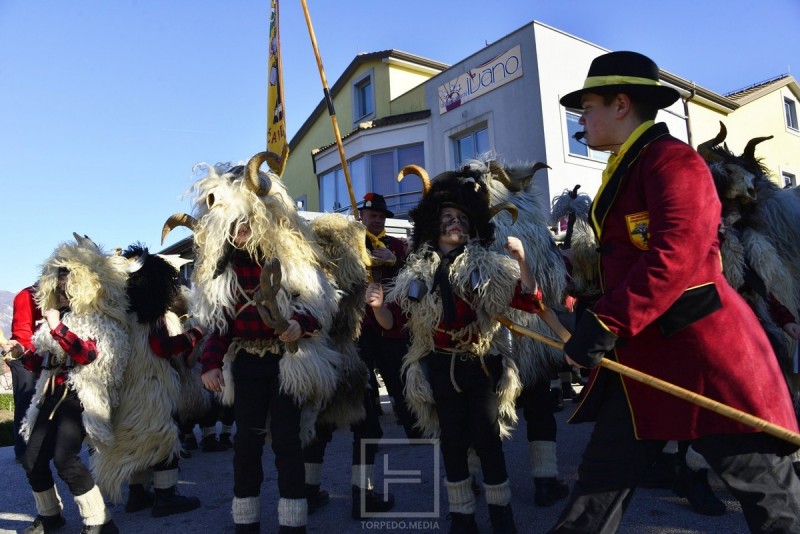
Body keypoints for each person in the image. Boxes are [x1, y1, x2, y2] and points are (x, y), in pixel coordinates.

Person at [552, 50, 800, 532]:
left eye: (588, 106)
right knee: (598, 487)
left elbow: (675, 257)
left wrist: (605, 323)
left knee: (771, 499)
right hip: (645, 357)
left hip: (702, 356)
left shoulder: (674, 161)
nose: (582, 118)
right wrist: (595, 312)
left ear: (621, 104)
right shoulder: (633, 163)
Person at [371, 169, 549, 533]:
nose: (456, 223)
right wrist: (377, 307)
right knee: (451, 442)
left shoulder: (490, 266)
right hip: (438, 366)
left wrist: (522, 261)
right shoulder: (414, 272)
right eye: (448, 218)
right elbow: (395, 324)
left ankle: (502, 517)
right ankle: (463, 517)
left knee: (487, 438)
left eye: (463, 219)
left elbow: (529, 302)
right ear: (435, 226)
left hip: (480, 363)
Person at [19, 236, 127, 534]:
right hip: (51, 394)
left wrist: (57, 328)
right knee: (31, 460)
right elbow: (41, 363)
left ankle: (101, 523)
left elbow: (88, 355)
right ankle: (50, 515)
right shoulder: (59, 316)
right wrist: (22, 354)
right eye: (59, 282)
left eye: (68, 283)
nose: (62, 289)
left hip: (82, 397)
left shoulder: (104, 320)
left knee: (65, 459)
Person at [1, 283, 41, 463]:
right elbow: (21, 332)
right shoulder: (26, 295)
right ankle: (23, 451)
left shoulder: (62, 297)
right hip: (24, 356)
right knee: (26, 402)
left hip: (48, 356)